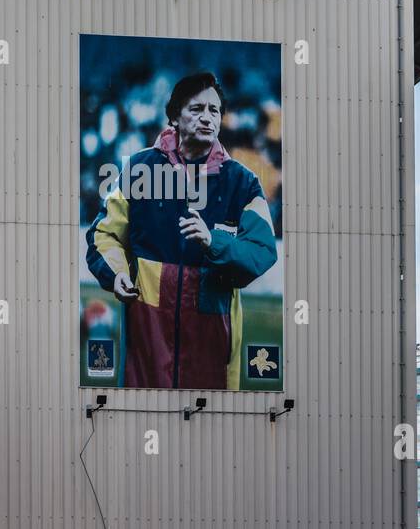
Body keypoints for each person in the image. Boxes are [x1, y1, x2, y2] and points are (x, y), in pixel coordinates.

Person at [85, 71, 277, 389]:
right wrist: (116, 274)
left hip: (212, 350)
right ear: (175, 116)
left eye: (214, 110)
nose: (207, 118)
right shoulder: (138, 169)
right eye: (196, 109)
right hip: (145, 349)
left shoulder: (243, 182)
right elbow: (103, 235)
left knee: (209, 434)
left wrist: (213, 242)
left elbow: (262, 250)